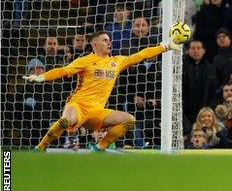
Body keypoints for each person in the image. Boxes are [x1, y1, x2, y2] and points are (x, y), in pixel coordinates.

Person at [23, 30, 181, 151]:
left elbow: (140, 55)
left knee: (130, 120)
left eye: (109, 40)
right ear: (95, 44)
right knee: (66, 121)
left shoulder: (117, 62)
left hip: (97, 112)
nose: (109, 43)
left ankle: (100, 147)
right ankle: (40, 148)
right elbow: (63, 71)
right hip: (77, 106)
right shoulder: (85, 60)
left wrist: (166, 46)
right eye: (105, 40)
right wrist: (43, 77)